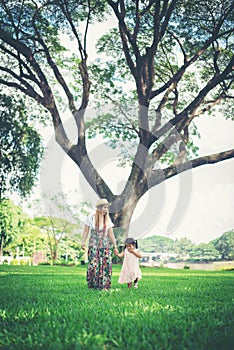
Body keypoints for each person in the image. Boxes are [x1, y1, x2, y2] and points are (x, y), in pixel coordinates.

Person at [81, 198, 118, 290]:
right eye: (104, 207)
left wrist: (115, 246)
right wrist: (83, 242)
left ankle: (104, 286)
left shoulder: (107, 219)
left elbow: (111, 233)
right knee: (93, 265)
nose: (106, 210)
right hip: (93, 244)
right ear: (99, 208)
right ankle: (93, 285)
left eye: (107, 208)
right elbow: (86, 231)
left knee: (106, 264)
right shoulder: (91, 218)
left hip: (105, 245)